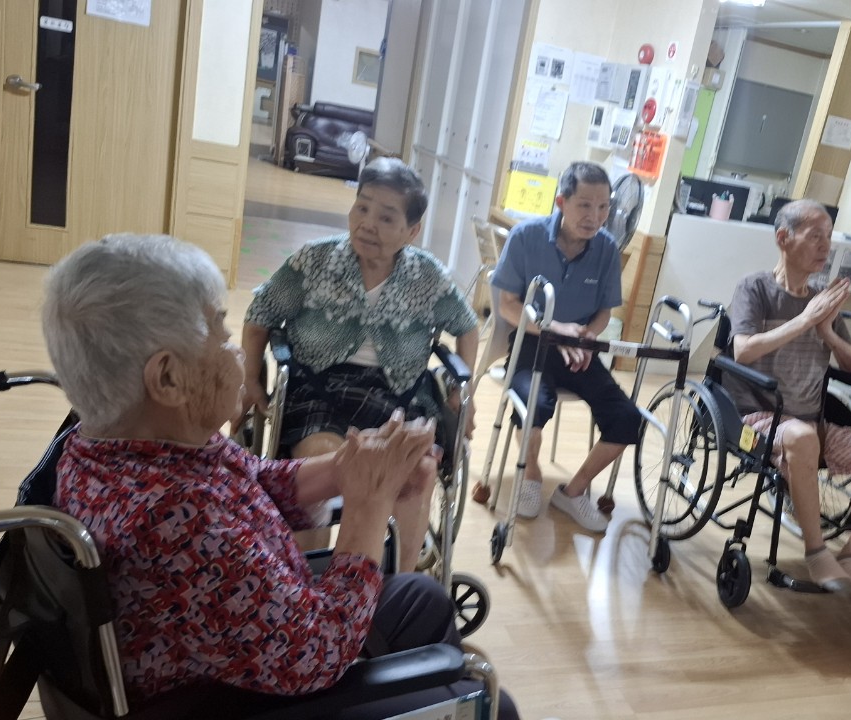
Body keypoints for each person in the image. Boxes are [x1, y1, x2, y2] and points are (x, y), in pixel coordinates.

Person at [44, 234, 517, 718]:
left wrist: (347, 468)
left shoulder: (122, 446)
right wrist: (370, 504)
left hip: (251, 629)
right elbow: (318, 653)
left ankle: (438, 687)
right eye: (219, 330)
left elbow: (254, 479)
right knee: (492, 705)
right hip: (248, 693)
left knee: (424, 598)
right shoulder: (174, 519)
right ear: (167, 379)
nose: (236, 350)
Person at [242, 157, 479, 562]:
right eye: (362, 207)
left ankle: (403, 582)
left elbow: (467, 326)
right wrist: (250, 377)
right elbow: (261, 312)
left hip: (400, 394)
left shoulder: (427, 276)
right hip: (319, 387)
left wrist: (463, 390)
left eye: (386, 217)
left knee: (419, 471)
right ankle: (306, 576)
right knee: (322, 457)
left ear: (412, 231)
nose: (368, 223)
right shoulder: (314, 261)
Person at [726, 199, 851, 599]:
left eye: (828, 237)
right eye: (815, 235)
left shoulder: (822, 297)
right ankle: (817, 553)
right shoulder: (755, 288)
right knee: (801, 437)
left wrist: (828, 331)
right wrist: (804, 320)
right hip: (759, 417)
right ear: (784, 238)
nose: (825, 246)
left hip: (812, 423)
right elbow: (742, 351)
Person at [491, 161, 641, 533]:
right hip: (532, 342)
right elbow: (508, 304)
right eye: (585, 205)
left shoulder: (607, 249)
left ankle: (573, 492)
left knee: (627, 418)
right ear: (561, 202)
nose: (596, 216)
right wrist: (552, 327)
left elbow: (605, 312)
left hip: (578, 350)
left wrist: (588, 336)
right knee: (535, 405)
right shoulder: (526, 237)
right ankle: (531, 474)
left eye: (604, 207)